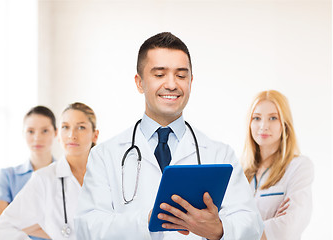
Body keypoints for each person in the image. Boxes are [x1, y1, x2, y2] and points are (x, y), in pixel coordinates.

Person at [75, 32, 263, 240]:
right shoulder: (105, 155)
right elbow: (87, 227)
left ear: (191, 81)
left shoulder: (220, 154)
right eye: (159, 75)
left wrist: (219, 230)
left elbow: (252, 224)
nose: (172, 84)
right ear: (139, 83)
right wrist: (146, 221)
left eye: (181, 76)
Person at [0, 102, 99, 240]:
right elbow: (3, 226)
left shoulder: (108, 175)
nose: (72, 135)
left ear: (95, 135)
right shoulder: (43, 178)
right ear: (59, 134)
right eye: (65, 127)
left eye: (81, 127)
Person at [241, 90, 314, 240]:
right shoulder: (238, 173)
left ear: (285, 124)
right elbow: (219, 223)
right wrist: (270, 224)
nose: (263, 126)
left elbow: (288, 228)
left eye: (273, 118)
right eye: (257, 118)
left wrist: (236, 230)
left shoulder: (299, 167)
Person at [0, 105, 57, 240]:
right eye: (30, 131)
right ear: (23, 133)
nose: (37, 137)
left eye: (44, 131)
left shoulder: (67, 175)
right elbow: (2, 223)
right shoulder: (8, 176)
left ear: (55, 133)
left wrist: (19, 224)